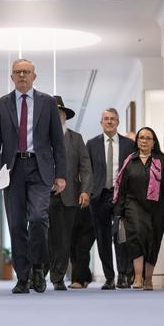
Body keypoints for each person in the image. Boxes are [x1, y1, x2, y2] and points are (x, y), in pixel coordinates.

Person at [0, 59, 67, 294]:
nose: (22, 75)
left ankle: (39, 269)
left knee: (39, 217)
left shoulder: (48, 103)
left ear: (34, 76)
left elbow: (57, 142)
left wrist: (61, 175)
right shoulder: (1, 105)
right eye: (18, 72)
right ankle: (23, 277)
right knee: (16, 223)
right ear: (12, 77)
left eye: (26, 72)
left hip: (40, 168)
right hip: (12, 171)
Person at [113, 126, 164, 290]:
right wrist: (119, 211)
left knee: (153, 241)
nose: (144, 141)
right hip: (133, 205)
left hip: (156, 207)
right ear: (137, 141)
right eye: (141, 138)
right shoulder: (130, 161)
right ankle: (138, 277)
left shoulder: (161, 161)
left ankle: (148, 278)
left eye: (148, 138)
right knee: (136, 237)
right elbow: (122, 188)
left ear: (153, 142)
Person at [86, 108, 135, 290]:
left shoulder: (129, 145)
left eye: (113, 119)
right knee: (103, 237)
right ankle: (109, 277)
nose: (109, 122)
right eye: (106, 119)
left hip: (120, 195)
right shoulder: (91, 144)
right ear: (101, 123)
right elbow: (86, 170)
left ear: (118, 122)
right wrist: (87, 192)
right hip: (99, 196)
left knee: (120, 235)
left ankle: (123, 274)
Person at [47, 96, 92, 291]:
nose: (57, 117)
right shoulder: (39, 138)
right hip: (43, 195)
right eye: (53, 114)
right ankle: (38, 274)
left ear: (65, 116)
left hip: (70, 195)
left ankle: (58, 277)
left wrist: (85, 191)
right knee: (44, 237)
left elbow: (86, 167)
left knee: (64, 239)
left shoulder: (76, 138)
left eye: (60, 113)